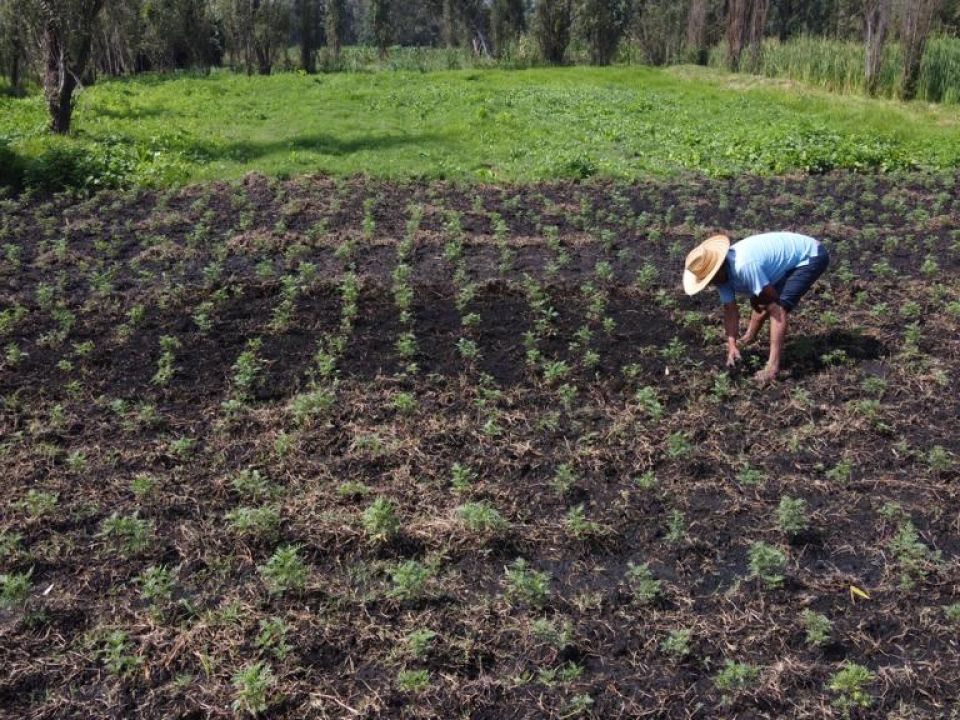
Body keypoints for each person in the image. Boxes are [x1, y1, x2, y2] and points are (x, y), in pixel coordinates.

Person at [682, 231, 830, 382]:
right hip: (784, 261)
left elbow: (773, 302)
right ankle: (749, 337)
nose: (710, 284)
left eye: (709, 279)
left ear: (718, 268)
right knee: (761, 297)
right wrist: (731, 346)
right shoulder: (720, 277)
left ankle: (772, 368)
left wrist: (758, 297)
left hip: (810, 256)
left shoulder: (743, 266)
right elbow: (730, 310)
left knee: (779, 306)